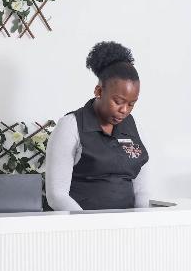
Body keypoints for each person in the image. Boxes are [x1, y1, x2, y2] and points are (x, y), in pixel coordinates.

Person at [45, 41, 150, 211]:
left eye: (131, 104)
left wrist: (140, 220)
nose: (124, 110)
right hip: (81, 224)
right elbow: (57, 195)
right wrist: (89, 223)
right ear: (99, 91)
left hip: (127, 224)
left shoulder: (133, 127)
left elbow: (141, 190)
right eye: (118, 101)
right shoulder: (70, 126)